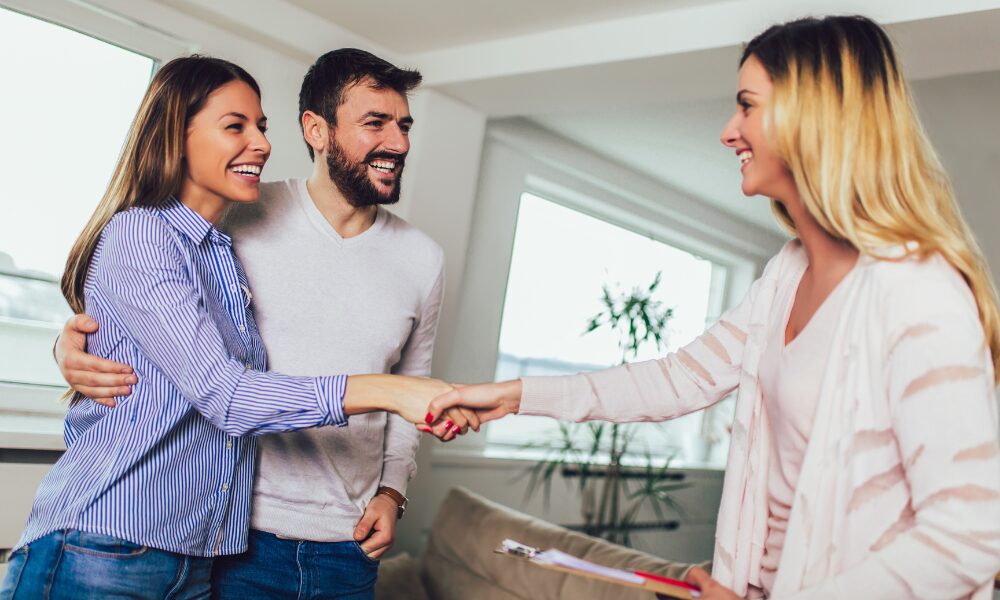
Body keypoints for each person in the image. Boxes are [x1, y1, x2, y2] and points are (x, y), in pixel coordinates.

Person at [428, 16, 1000, 599]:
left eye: (748, 106)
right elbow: (677, 380)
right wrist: (516, 396)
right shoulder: (786, 273)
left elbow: (971, 535)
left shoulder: (917, 289)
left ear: (814, 117)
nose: (729, 132)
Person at [0, 55, 455, 600]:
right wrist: (68, 344)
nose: (399, 142)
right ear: (317, 129)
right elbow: (217, 385)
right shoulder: (222, 217)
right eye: (375, 122)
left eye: (404, 125)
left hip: (220, 545)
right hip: (170, 542)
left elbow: (157, 330)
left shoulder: (219, 240)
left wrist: (392, 491)